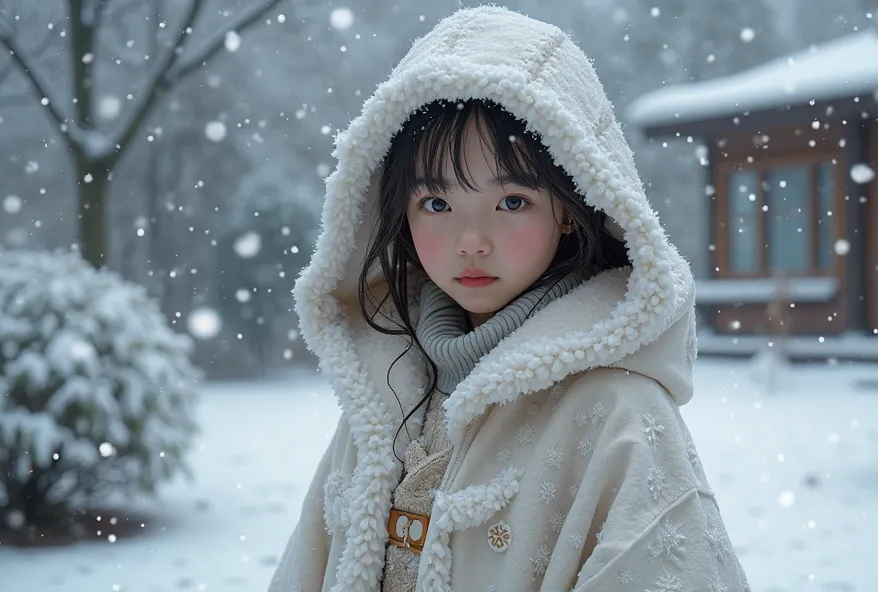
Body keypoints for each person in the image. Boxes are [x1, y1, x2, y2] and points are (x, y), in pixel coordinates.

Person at [268, 6, 750, 592]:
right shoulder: (382, 396)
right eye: (438, 204)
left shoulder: (619, 413)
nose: (471, 241)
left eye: (513, 201)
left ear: (573, 210)